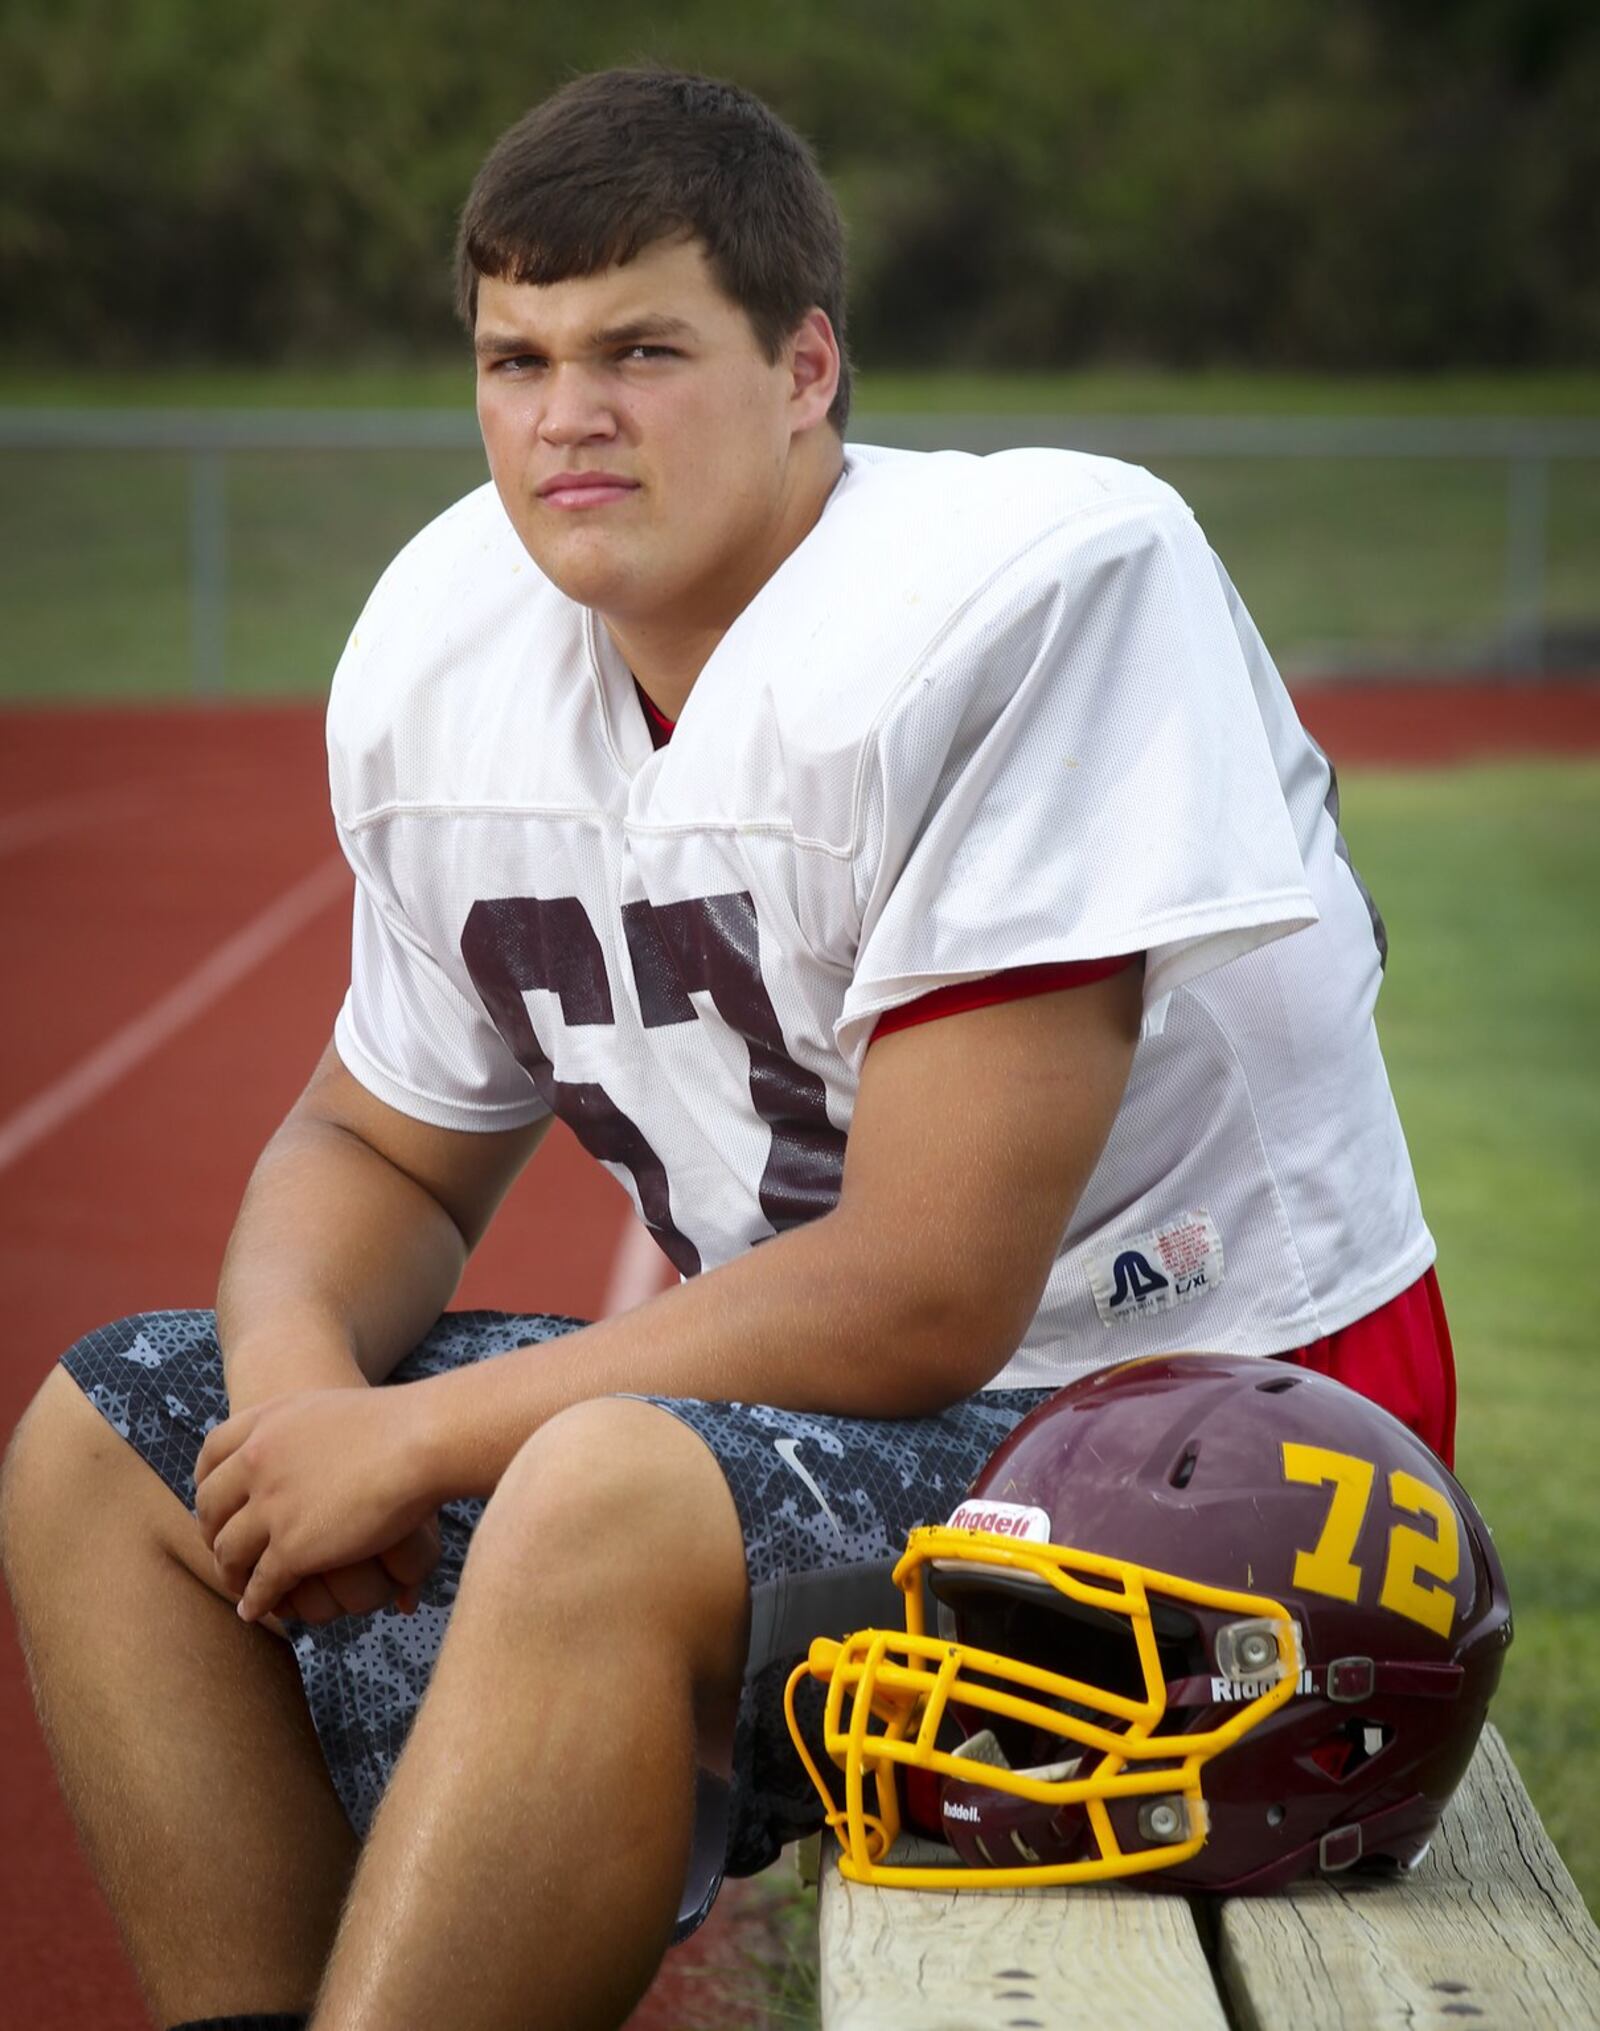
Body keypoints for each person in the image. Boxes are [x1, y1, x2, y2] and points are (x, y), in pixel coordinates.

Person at [0, 66, 1454, 2031]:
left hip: (1208, 1442)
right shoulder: (457, 648)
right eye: (513, 357)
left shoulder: (1027, 592)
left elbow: (926, 1288)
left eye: (640, 348)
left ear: (806, 368)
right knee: (111, 1448)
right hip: (821, 1420)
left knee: (599, 1483)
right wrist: (288, 1413)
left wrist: (412, 1435)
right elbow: (378, 1147)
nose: (564, 412)